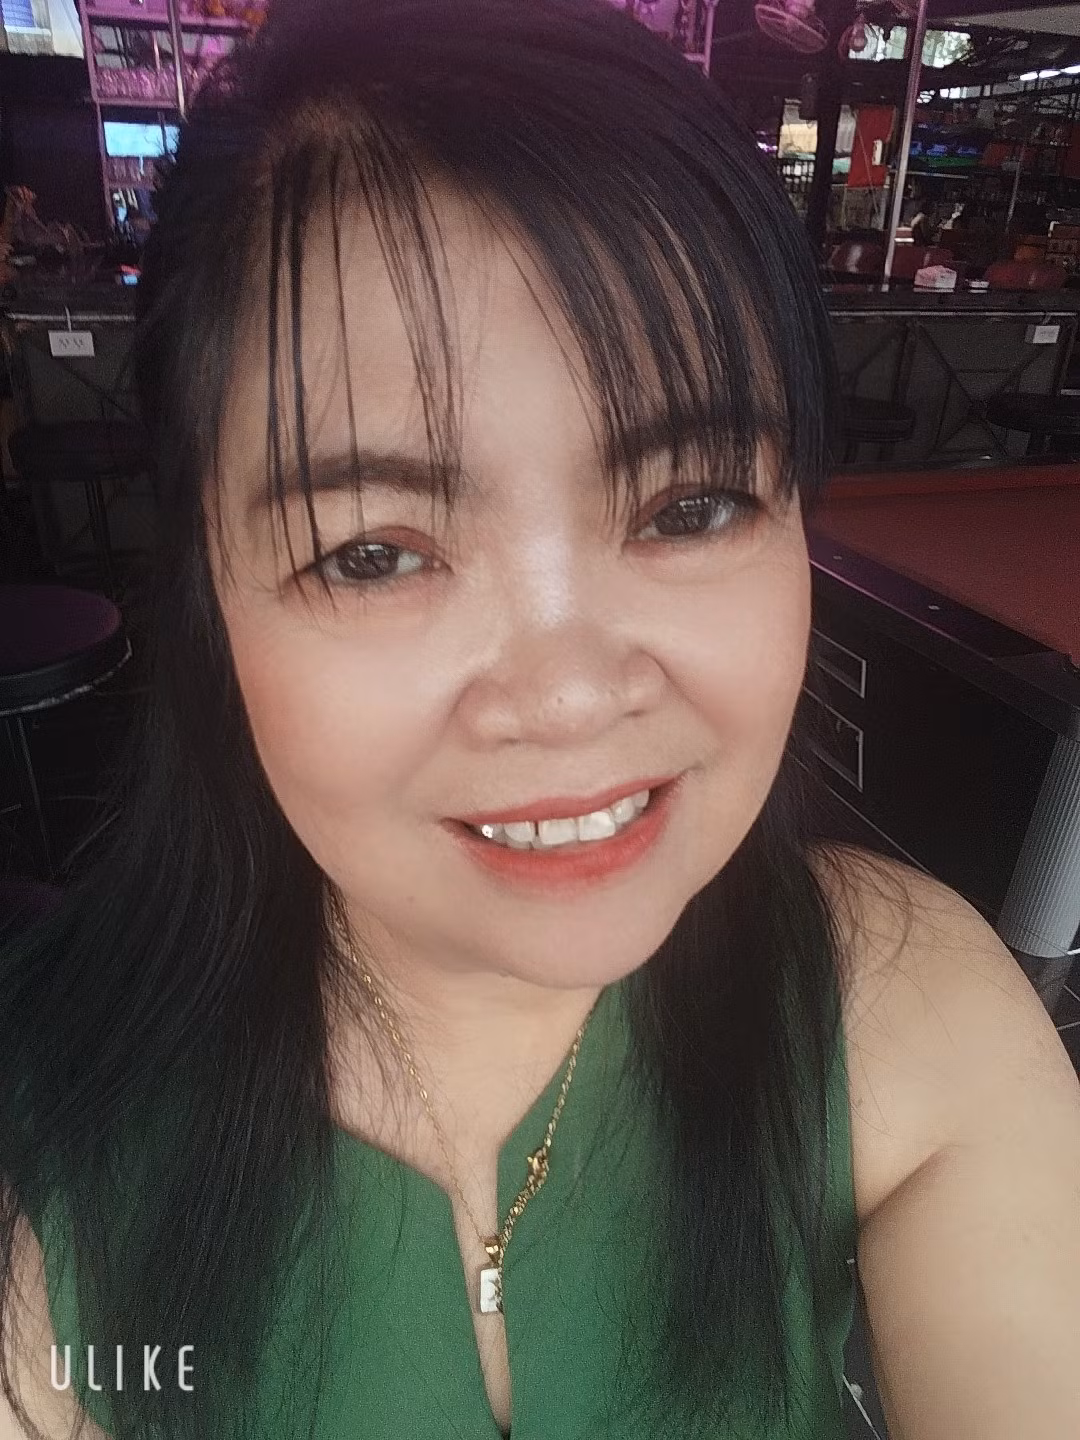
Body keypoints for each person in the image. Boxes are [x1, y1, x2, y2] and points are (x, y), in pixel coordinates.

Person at [2, 1, 1078, 1437]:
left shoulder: (896, 1004)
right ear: (210, 587)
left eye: (690, 507)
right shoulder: (45, 1150)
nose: (570, 697)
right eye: (374, 553)